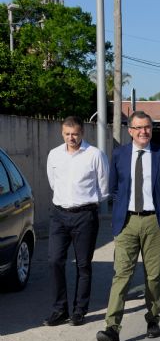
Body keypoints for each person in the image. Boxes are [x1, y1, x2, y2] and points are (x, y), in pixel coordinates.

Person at [97, 111, 160, 341]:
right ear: (130, 131)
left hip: (155, 222)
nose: (144, 131)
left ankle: (153, 319)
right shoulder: (119, 155)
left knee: (153, 276)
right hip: (127, 222)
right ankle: (112, 327)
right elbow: (114, 187)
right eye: (139, 128)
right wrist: (126, 208)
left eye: (147, 127)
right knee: (121, 275)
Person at [43, 116, 109, 327]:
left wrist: (85, 204)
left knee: (83, 265)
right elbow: (53, 183)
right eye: (67, 134)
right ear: (62, 133)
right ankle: (59, 309)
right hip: (59, 215)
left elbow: (104, 187)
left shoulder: (94, 154)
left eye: (75, 134)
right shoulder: (54, 154)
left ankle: (79, 310)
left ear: (82, 133)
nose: (71, 138)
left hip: (85, 216)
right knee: (54, 261)